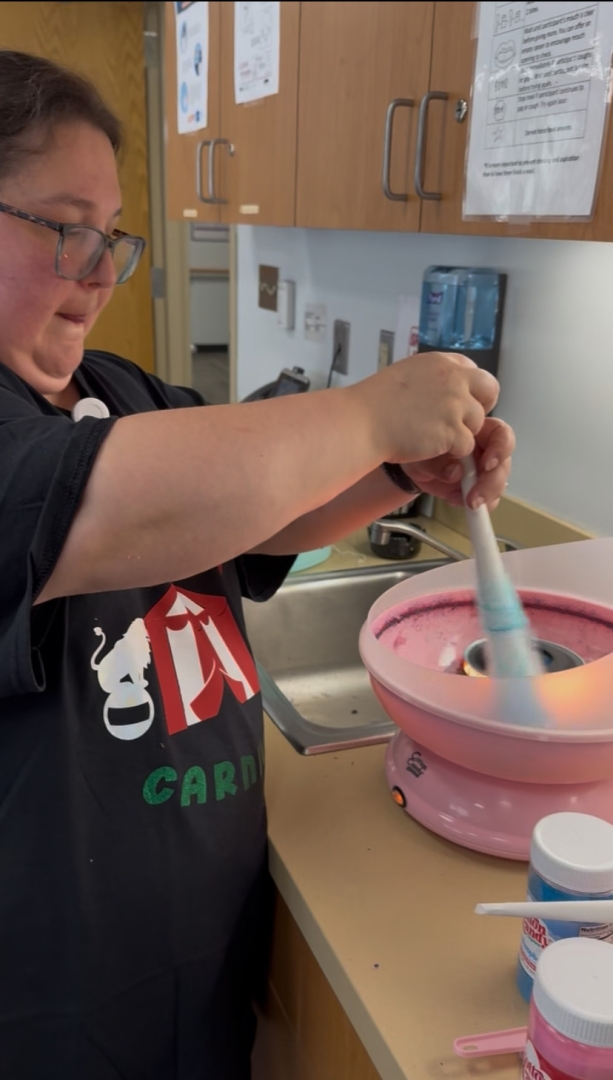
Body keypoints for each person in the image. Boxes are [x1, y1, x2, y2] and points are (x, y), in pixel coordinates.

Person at [0, 50, 514, 1080]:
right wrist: (367, 411)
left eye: (112, 238)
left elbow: (248, 515)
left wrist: (390, 470)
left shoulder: (112, 387)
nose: (99, 275)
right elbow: (98, 503)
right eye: (65, 230)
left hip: (196, 942)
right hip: (54, 997)